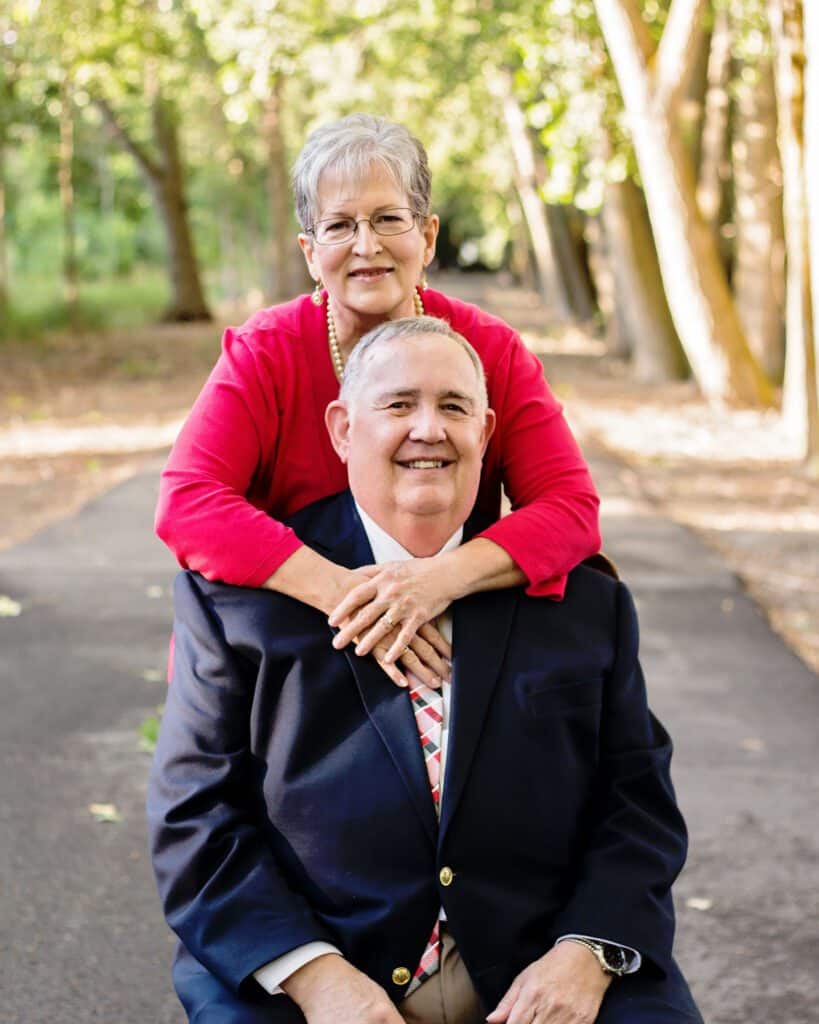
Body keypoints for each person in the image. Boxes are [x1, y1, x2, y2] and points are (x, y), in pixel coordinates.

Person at [148, 317, 702, 1024]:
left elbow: (638, 802)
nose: (428, 428)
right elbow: (194, 816)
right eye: (399, 404)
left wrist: (585, 953)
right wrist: (318, 980)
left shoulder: (584, 601)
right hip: (313, 969)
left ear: (487, 429)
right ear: (343, 429)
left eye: (453, 406)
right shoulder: (237, 604)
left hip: (542, 962)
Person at [154, 113, 601, 690]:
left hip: (447, 641)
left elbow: (570, 510)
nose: (367, 247)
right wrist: (353, 597)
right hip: (290, 646)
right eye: (338, 226)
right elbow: (189, 503)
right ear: (311, 252)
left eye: (389, 219)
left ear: (428, 236)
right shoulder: (266, 352)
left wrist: (435, 581)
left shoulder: (489, 349)